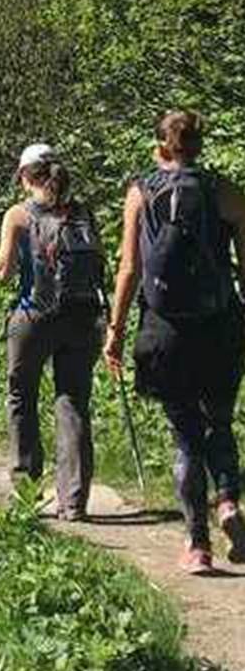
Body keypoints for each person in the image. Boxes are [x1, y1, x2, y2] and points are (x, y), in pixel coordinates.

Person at [104, 110, 245, 574]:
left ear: (160, 146)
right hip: (219, 324)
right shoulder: (225, 192)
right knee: (219, 422)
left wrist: (116, 330)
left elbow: (129, 269)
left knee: (185, 437)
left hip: (165, 331)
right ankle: (227, 502)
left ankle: (197, 544)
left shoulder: (140, 192)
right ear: (199, 145)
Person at [0, 144, 106, 522]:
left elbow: (5, 271)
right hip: (82, 318)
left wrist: (0, 274)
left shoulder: (18, 214)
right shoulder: (83, 213)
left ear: (26, 176)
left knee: (21, 396)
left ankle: (27, 489)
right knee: (72, 401)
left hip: (33, 317)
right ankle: (73, 502)